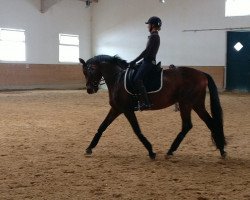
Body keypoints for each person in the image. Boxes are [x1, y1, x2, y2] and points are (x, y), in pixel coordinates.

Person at [130, 16, 162, 110]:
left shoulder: (154, 36)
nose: (147, 26)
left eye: (148, 24)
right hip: (146, 61)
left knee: (137, 79)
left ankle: (146, 103)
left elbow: (146, 52)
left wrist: (134, 61)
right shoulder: (153, 36)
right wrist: (138, 62)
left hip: (148, 62)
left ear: (152, 25)